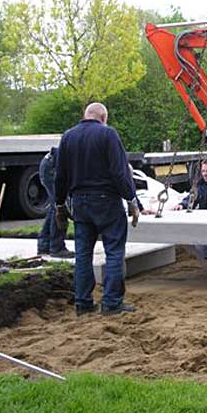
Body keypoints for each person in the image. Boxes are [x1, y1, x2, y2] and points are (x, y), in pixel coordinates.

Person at [55, 102, 150, 316]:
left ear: (85, 116)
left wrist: (59, 204)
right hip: (107, 201)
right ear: (104, 118)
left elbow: (60, 175)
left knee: (83, 253)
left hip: (79, 202)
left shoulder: (68, 137)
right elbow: (120, 172)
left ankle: (83, 302)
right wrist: (132, 199)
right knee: (114, 251)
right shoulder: (108, 135)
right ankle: (112, 302)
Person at [37, 146, 74, 258]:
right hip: (52, 169)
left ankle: (44, 245)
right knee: (60, 207)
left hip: (50, 165)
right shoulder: (85, 146)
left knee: (55, 208)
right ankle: (57, 248)